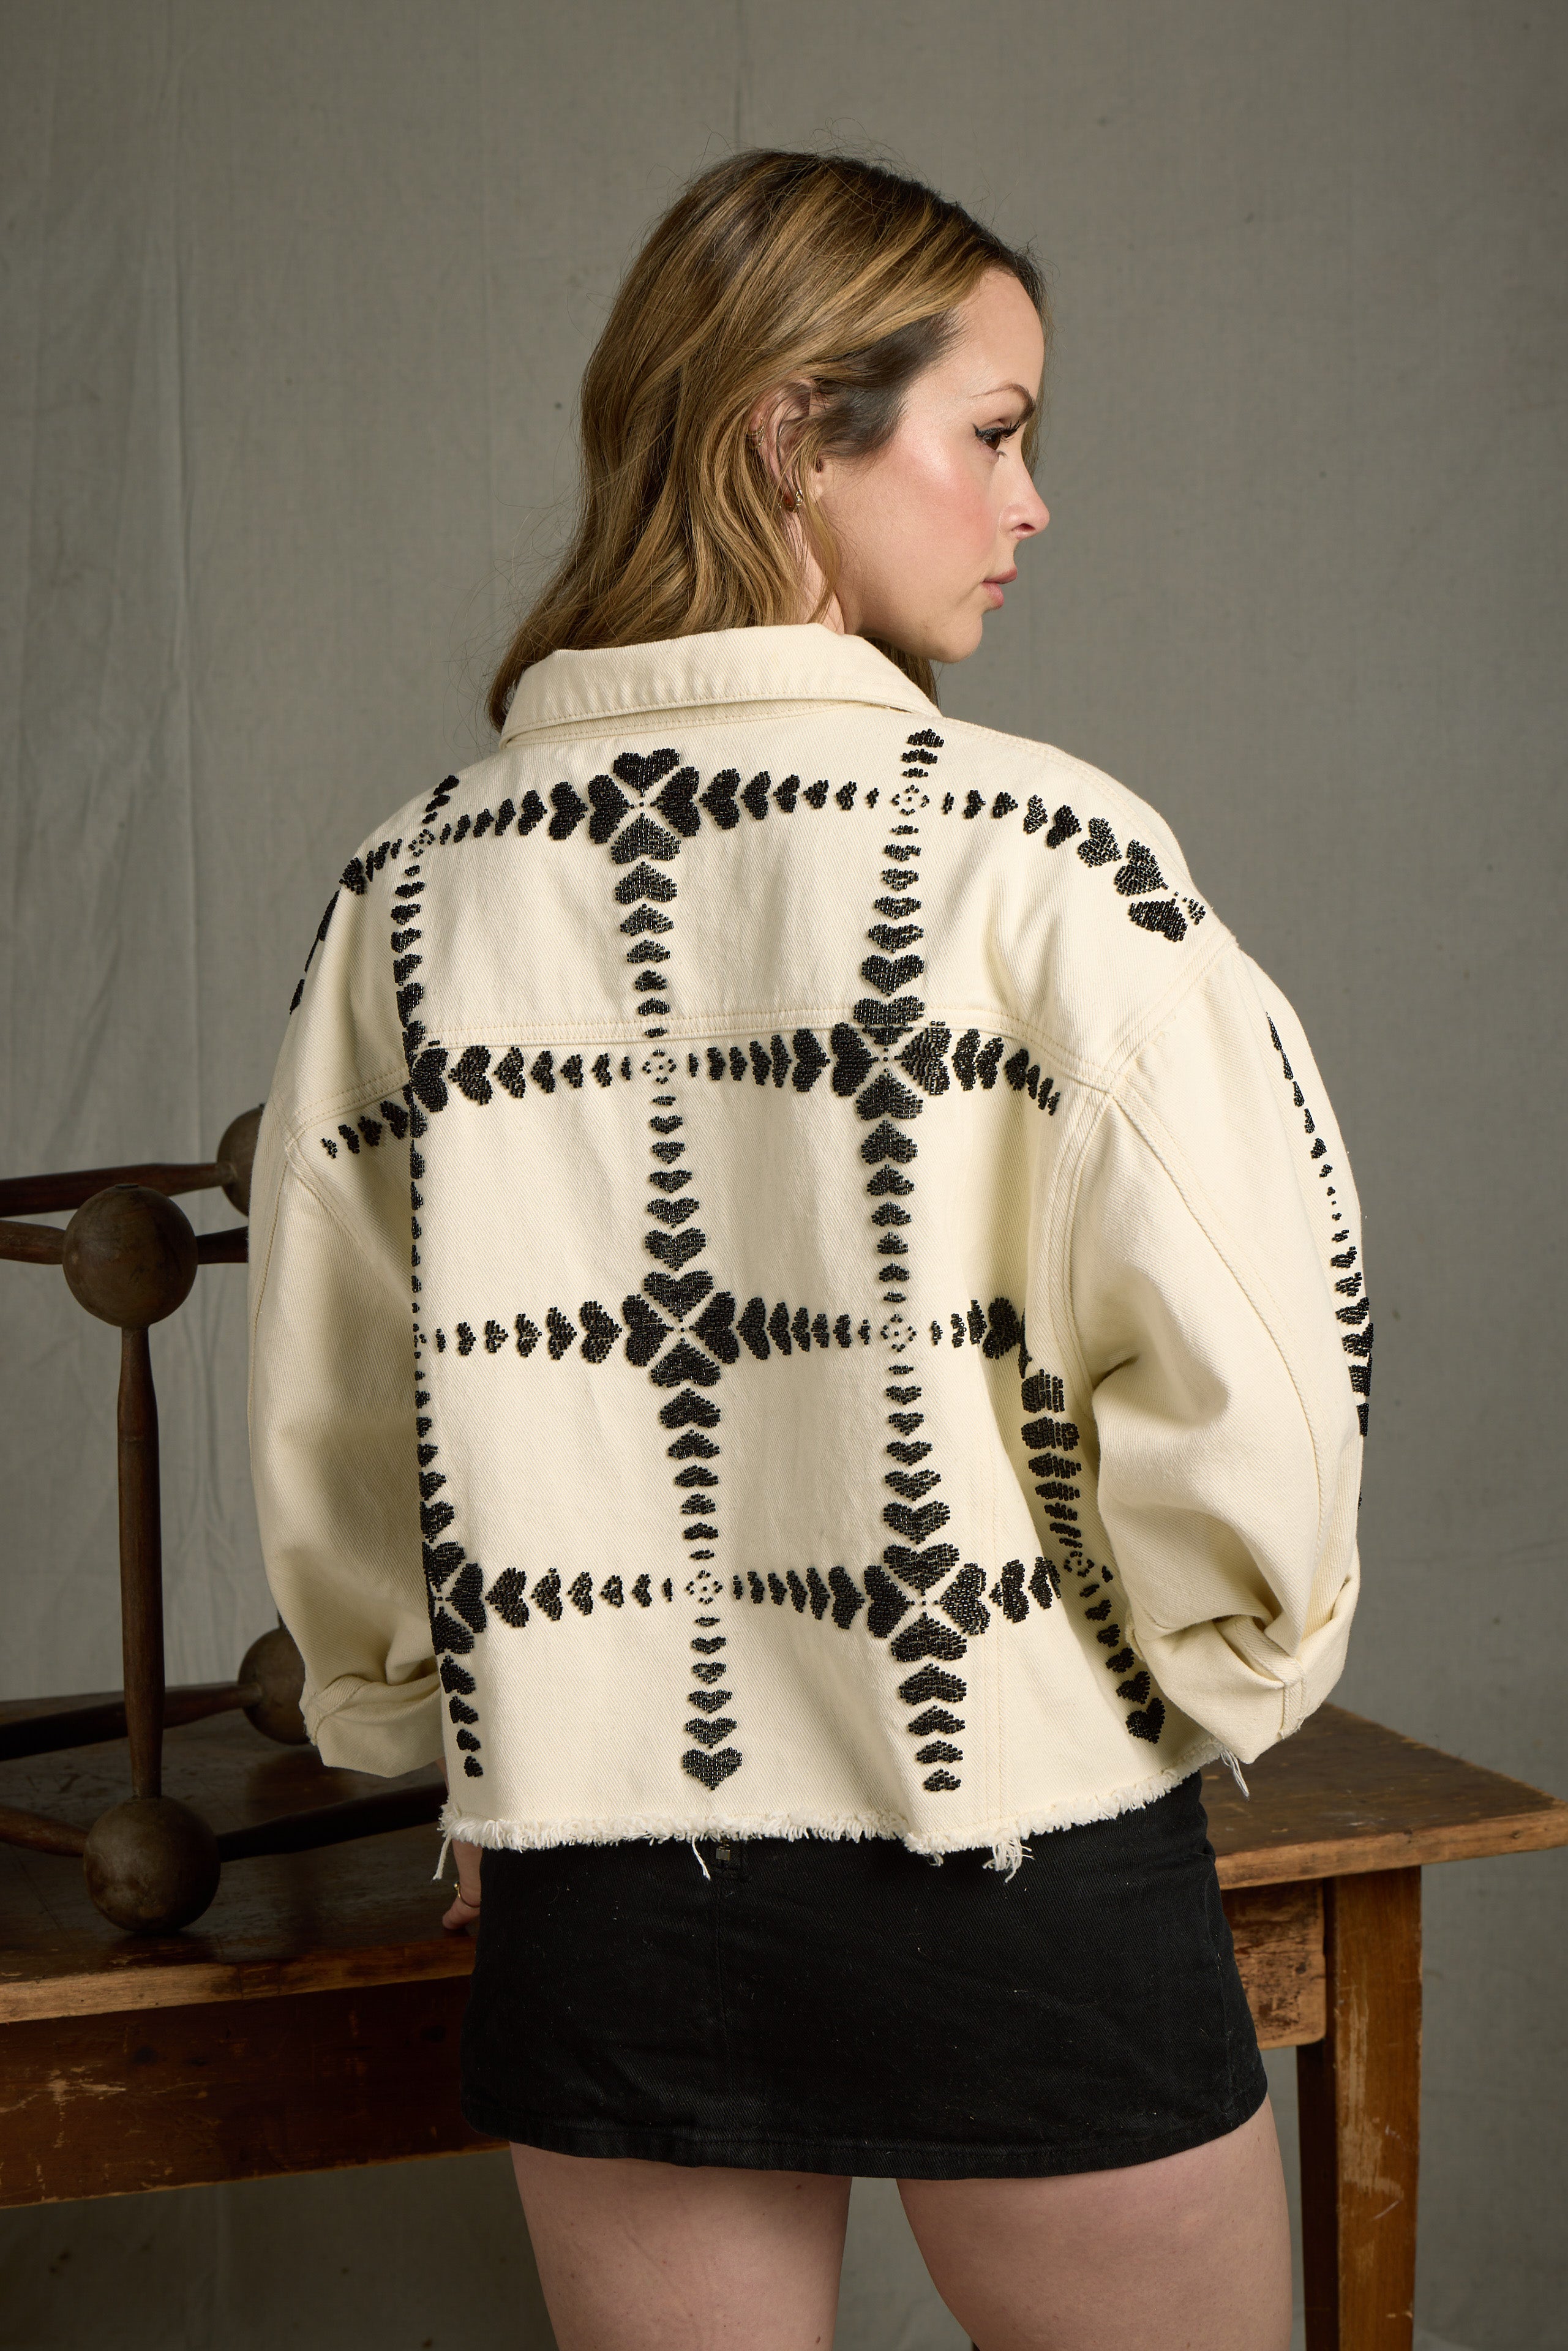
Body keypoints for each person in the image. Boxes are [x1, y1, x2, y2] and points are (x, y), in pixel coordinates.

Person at [247, 149, 1368, 2351]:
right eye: (993, 430)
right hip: (1014, 1811)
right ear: (788, 430)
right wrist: (1223, 1662)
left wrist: (442, 1721)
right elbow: (1247, 1354)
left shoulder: (416, 885)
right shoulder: (1043, 856)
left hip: (592, 1856)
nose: (1030, 502)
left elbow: (339, 1395)